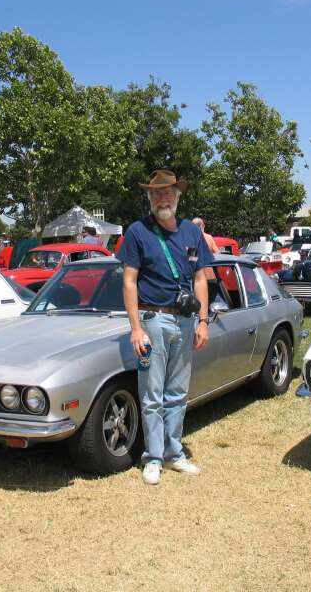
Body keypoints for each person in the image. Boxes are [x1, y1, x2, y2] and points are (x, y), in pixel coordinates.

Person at [116, 169, 213, 486]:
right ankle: (153, 458)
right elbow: (129, 282)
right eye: (157, 193)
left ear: (177, 196)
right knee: (152, 394)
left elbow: (200, 279)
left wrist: (203, 321)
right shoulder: (137, 232)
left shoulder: (192, 232)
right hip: (152, 321)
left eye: (168, 192)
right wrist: (135, 328)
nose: (163, 198)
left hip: (185, 321)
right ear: (149, 198)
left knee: (177, 393)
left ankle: (173, 454)